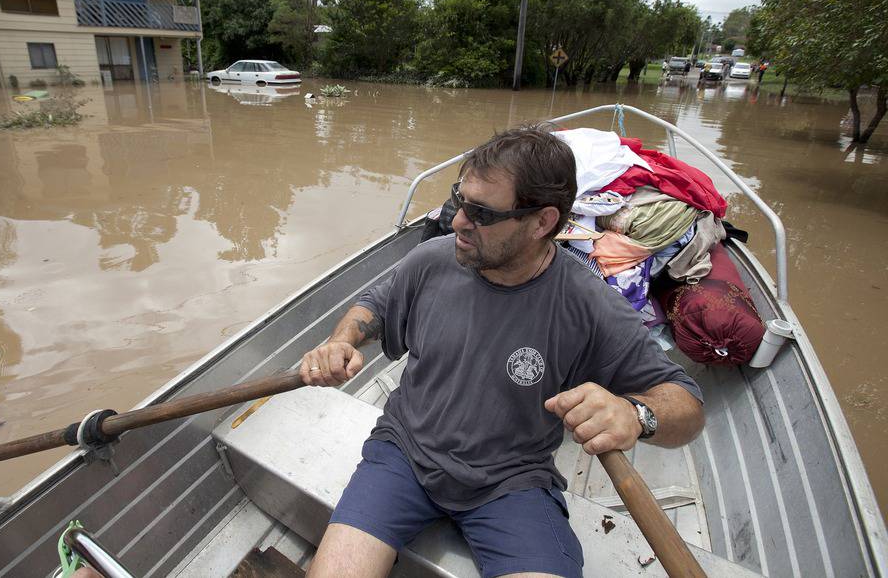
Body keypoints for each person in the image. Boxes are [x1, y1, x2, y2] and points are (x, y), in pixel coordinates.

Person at [299, 127, 704, 578]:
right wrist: (342, 341)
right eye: (459, 201)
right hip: (404, 455)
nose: (457, 222)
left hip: (510, 483)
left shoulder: (588, 304)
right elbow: (372, 306)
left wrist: (635, 414)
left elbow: (686, 403)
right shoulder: (432, 260)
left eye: (482, 214)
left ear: (542, 222)